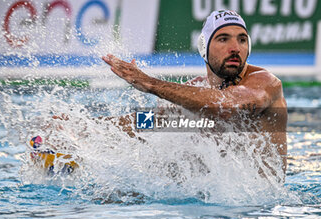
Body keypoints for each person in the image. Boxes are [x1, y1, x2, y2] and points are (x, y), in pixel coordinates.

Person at [102, 10, 288, 172]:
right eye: (223, 39)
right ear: (203, 47)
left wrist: (149, 83)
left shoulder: (265, 83)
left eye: (242, 39)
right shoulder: (196, 91)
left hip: (259, 210)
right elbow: (154, 122)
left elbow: (227, 106)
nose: (235, 48)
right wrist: (88, 129)